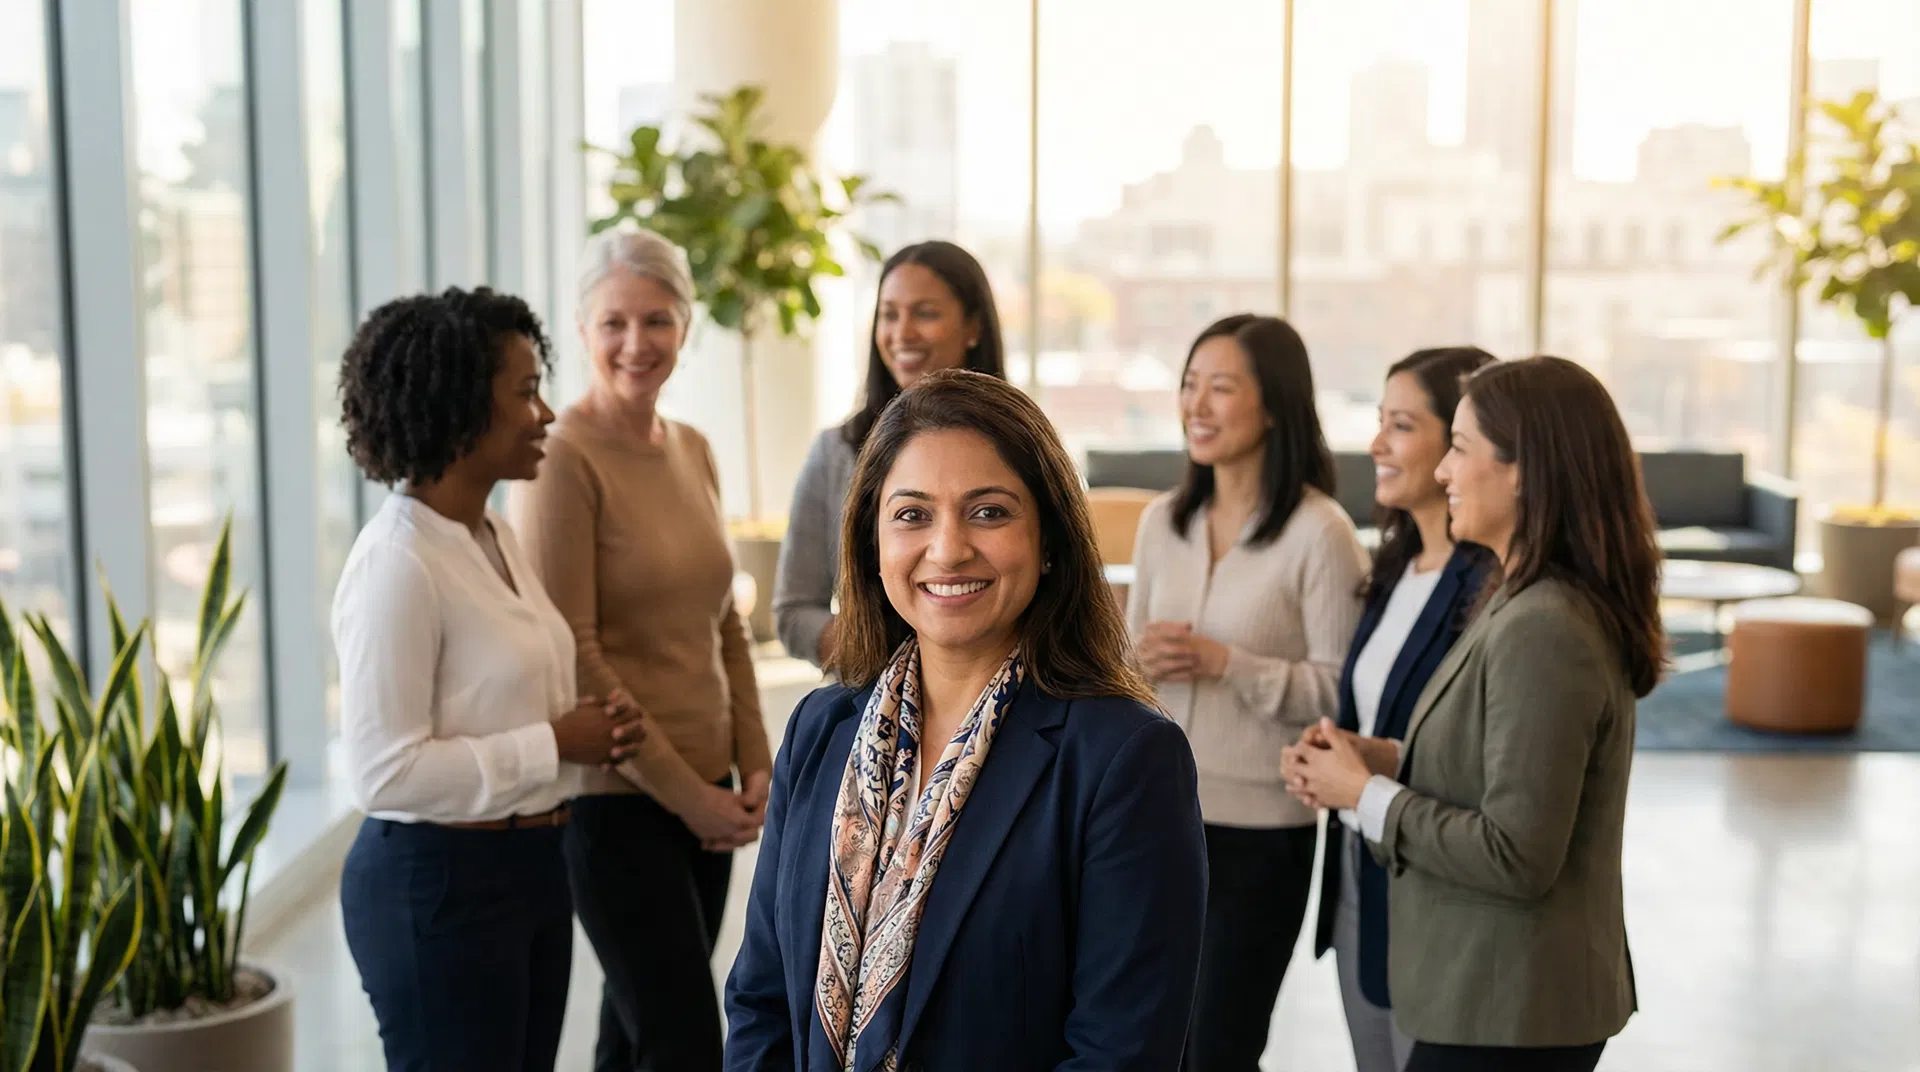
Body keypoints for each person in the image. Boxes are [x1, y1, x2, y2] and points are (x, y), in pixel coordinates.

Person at [724, 369, 1209, 1071]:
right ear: (871, 543)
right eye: (912, 515)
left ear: (1048, 542)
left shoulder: (1125, 758)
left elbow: (1120, 1053)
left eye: (988, 512)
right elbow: (761, 999)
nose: (947, 549)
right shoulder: (819, 731)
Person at [1284, 356, 1662, 1072]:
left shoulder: (1543, 624)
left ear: (1524, 469)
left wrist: (1363, 795)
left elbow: (1517, 852)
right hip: (1495, 997)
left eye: (1459, 448)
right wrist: (1380, 760)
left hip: (1514, 1006)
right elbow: (1498, 765)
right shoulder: (1518, 600)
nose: (1446, 473)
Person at [333, 287, 645, 1072]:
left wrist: (587, 731)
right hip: (437, 888)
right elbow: (383, 772)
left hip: (533, 864)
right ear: (462, 405)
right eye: (524, 390)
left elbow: (497, 695)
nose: (544, 412)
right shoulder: (397, 563)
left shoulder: (492, 530)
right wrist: (553, 742)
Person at [510, 228, 772, 1072]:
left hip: (710, 790)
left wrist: (756, 758)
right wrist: (687, 796)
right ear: (582, 329)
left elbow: (722, 619)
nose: (637, 344)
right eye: (615, 322)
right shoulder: (560, 459)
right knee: (686, 1039)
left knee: (633, 1034)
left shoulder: (692, 447)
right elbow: (575, 653)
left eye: (657, 321)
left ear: (685, 327)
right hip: (618, 801)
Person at [1124, 313, 1368, 1072]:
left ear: (1273, 405)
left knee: (1219, 1050)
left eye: (1220, 387)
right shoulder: (1162, 521)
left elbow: (1340, 695)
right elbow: (1125, 668)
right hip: (1153, 821)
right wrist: (1140, 661)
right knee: (1148, 1043)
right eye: (1189, 385)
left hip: (1263, 835)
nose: (1196, 404)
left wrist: (1227, 662)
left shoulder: (1321, 533)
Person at [1307, 348, 1498, 1072]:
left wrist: (1364, 772)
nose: (1377, 444)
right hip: (1362, 866)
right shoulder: (1393, 565)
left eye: (1402, 425)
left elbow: (1474, 755)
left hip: (1436, 883)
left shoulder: (1487, 585)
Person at [774, 240, 1009, 668]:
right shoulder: (837, 451)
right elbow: (793, 613)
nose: (902, 333)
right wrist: (892, 662)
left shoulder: (1022, 447)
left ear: (973, 326)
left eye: (925, 313)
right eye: (889, 314)